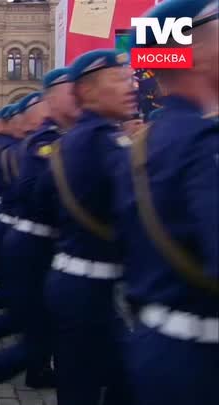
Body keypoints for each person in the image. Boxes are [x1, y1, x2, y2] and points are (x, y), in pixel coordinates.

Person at [115, 2, 218, 404]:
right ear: (194, 52)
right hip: (201, 366)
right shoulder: (202, 145)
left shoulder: (144, 144)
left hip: (157, 348)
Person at [42, 49, 135, 405]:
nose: (131, 87)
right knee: (117, 380)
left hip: (76, 282)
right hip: (88, 288)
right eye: (119, 79)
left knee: (87, 383)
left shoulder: (74, 141)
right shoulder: (103, 143)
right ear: (89, 91)